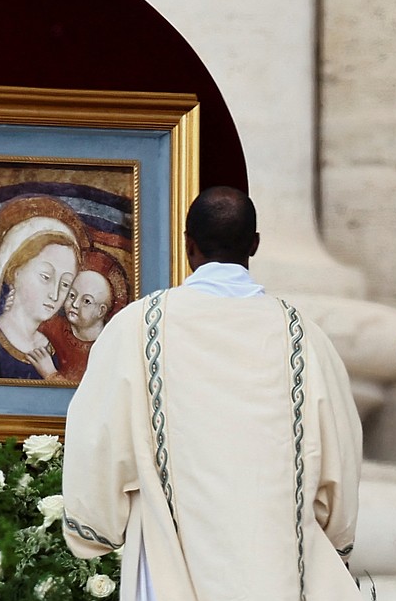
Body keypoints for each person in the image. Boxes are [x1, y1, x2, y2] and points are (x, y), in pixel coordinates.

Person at [61, 186, 364, 600]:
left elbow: (95, 443)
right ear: (254, 244)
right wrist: (335, 539)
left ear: (188, 245)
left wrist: (96, 530)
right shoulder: (306, 339)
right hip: (280, 574)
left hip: (169, 570)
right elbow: (340, 460)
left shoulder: (136, 329)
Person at [0, 195, 89, 382]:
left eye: (65, 284)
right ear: (14, 272)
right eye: (45, 277)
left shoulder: (47, 348)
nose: (55, 294)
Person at [41, 248, 130, 383]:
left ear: (101, 311)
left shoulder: (110, 347)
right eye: (72, 295)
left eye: (86, 301)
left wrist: (50, 374)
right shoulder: (52, 326)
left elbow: (92, 393)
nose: (75, 304)